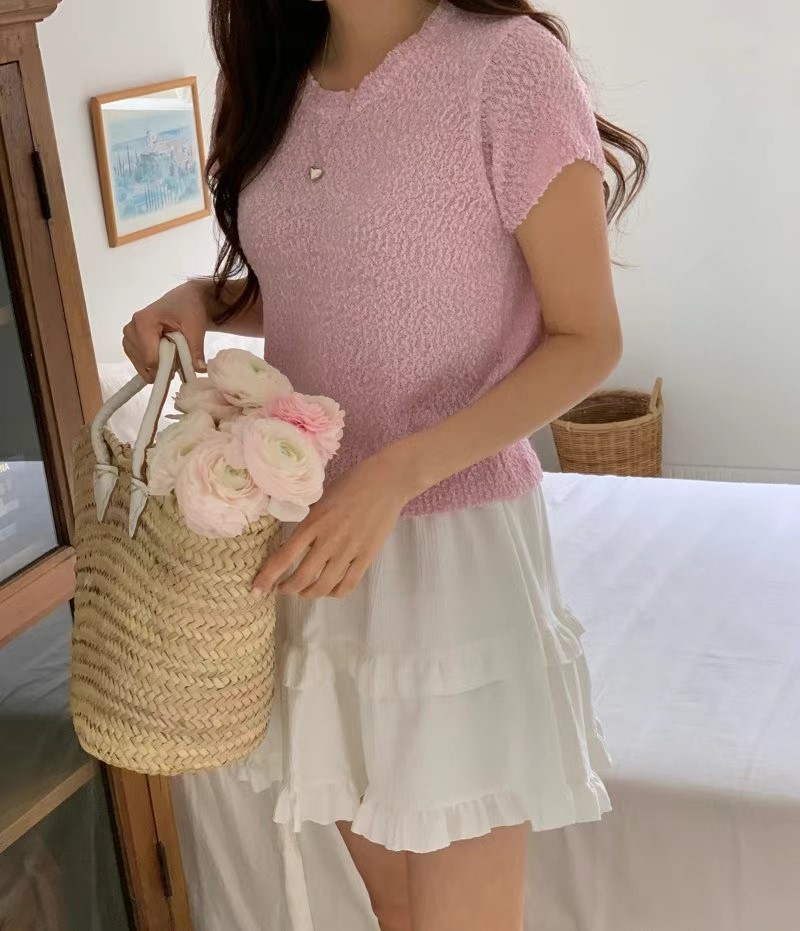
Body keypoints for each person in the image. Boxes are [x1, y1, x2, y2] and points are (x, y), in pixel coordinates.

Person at [123, 1, 647, 928]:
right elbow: (327, 280)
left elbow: (587, 338)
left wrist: (398, 473)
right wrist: (203, 297)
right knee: (398, 911)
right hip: (318, 547)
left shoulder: (508, 69)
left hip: (451, 557)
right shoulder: (274, 72)